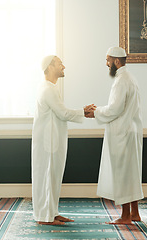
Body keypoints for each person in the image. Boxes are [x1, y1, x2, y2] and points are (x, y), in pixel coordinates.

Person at [32, 55, 95, 225]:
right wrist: (83, 111)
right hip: (49, 143)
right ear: (50, 66)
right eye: (60, 64)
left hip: (52, 141)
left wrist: (82, 111)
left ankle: (52, 212)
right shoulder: (48, 89)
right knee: (47, 176)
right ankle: (45, 217)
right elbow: (63, 113)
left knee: (53, 177)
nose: (64, 67)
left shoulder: (49, 87)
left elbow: (60, 113)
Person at [86, 47, 144, 224]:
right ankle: (135, 213)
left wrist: (95, 112)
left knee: (122, 174)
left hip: (122, 133)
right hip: (130, 131)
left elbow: (114, 109)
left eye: (108, 60)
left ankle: (125, 216)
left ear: (116, 61)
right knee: (132, 173)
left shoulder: (121, 81)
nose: (106, 64)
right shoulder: (130, 78)